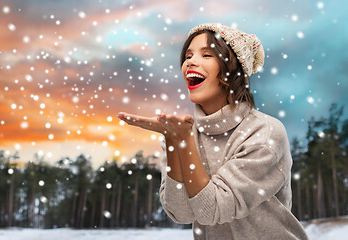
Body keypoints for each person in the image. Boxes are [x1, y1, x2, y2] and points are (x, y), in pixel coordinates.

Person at [117, 23, 308, 239]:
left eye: (207, 55)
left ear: (234, 69)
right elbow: (180, 213)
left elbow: (212, 210)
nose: (191, 62)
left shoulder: (264, 133)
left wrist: (183, 142)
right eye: (188, 56)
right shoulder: (181, 132)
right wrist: (173, 141)